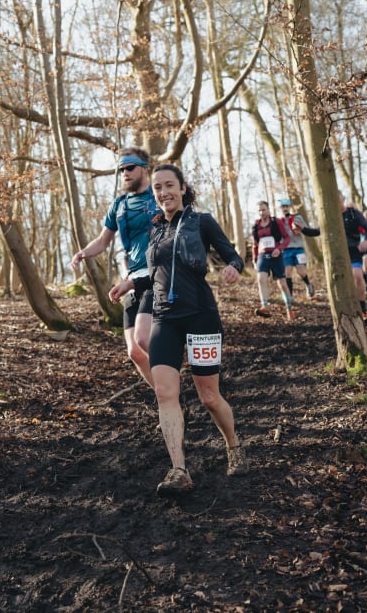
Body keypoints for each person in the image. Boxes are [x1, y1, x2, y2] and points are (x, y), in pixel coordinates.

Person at [109, 163, 247, 496]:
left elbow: (233, 255)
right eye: (157, 187)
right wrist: (131, 282)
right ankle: (179, 470)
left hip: (200, 316)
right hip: (164, 319)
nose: (163, 192)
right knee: (165, 393)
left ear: (182, 188)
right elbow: (154, 273)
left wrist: (233, 268)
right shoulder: (154, 229)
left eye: (169, 185)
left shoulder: (202, 221)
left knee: (209, 397)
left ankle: (234, 446)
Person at [71, 147, 159, 388]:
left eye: (130, 168)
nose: (125, 173)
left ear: (144, 168)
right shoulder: (119, 205)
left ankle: (171, 387)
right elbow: (102, 241)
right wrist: (82, 253)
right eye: (121, 170)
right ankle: (167, 397)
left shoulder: (159, 196)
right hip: (131, 279)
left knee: (144, 339)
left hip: (157, 276)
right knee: (135, 352)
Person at [250, 201, 295, 320]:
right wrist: (254, 259)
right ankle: (265, 306)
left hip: (276, 255)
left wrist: (279, 249)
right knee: (261, 279)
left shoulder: (276, 222)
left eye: (263, 210)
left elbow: (286, 238)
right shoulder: (256, 225)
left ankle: (289, 308)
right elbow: (254, 244)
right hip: (262, 255)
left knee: (282, 284)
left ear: (268, 210)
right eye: (259, 210)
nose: (261, 212)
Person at [277, 197, 319, 300]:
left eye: (286, 206)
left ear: (289, 207)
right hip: (286, 249)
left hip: (298, 248)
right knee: (287, 272)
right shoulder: (278, 221)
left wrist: (299, 229)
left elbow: (306, 229)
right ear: (280, 208)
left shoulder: (297, 217)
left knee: (301, 271)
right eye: (283, 207)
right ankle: (290, 295)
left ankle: (308, 284)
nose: (285, 208)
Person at [340, 193, 367, 318]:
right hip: (338, 254)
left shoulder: (353, 213)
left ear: (343, 199)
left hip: (355, 250)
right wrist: (303, 229)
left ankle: (362, 306)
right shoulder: (330, 216)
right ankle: (348, 308)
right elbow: (318, 230)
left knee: (358, 276)